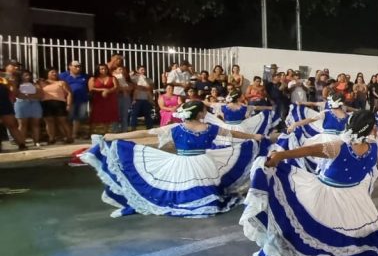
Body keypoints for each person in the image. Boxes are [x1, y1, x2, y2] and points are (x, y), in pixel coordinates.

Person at [229, 110, 378, 256]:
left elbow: (306, 151)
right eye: (375, 127)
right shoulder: (372, 148)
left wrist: (280, 156)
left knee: (312, 227)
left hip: (329, 193)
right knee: (352, 231)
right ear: (370, 129)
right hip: (355, 196)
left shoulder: (339, 146)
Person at [80, 100, 265, 217]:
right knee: (204, 190)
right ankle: (205, 201)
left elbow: (144, 132)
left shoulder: (175, 128)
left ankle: (192, 202)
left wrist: (116, 137)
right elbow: (234, 134)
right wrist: (254, 137)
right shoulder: (210, 128)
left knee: (176, 187)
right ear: (201, 114)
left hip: (184, 162)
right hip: (203, 163)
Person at [204, 91, 278, 136]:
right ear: (238, 98)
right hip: (240, 127)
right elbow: (256, 107)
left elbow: (209, 103)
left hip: (227, 126)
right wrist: (269, 108)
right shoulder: (244, 107)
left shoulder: (223, 106)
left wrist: (195, 101)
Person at [40, 68, 74, 144]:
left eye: (55, 72)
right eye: (52, 72)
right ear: (47, 74)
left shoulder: (61, 82)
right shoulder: (42, 83)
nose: (55, 74)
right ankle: (51, 138)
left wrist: (68, 104)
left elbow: (69, 93)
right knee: (49, 122)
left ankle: (69, 137)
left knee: (63, 121)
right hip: (46, 103)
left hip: (59, 103)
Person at [60, 60, 90, 140]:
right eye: (76, 66)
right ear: (70, 67)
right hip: (69, 100)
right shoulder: (63, 76)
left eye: (79, 66)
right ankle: (67, 134)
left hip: (82, 100)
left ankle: (74, 134)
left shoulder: (85, 76)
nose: (78, 68)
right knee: (69, 118)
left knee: (79, 118)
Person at [88, 64, 119, 134]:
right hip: (98, 100)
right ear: (98, 70)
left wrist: (108, 91)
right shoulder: (93, 79)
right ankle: (95, 133)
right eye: (101, 69)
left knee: (110, 115)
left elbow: (116, 87)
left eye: (105, 69)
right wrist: (103, 89)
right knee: (97, 115)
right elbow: (91, 88)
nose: (104, 70)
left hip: (110, 100)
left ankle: (108, 132)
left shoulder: (112, 78)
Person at [14, 70, 43, 147]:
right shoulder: (17, 85)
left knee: (36, 124)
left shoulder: (35, 84)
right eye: (25, 75)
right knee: (22, 124)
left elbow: (40, 95)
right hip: (21, 103)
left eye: (28, 75)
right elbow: (17, 95)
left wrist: (28, 96)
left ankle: (36, 141)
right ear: (21, 76)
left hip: (34, 103)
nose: (28, 77)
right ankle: (21, 142)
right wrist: (29, 95)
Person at [130, 65, 156, 130]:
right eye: (141, 70)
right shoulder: (134, 78)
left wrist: (141, 87)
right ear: (137, 70)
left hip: (146, 99)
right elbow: (134, 86)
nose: (143, 71)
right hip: (137, 99)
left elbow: (150, 87)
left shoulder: (148, 79)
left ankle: (150, 128)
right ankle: (133, 128)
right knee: (134, 114)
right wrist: (144, 88)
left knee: (148, 115)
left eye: (144, 70)